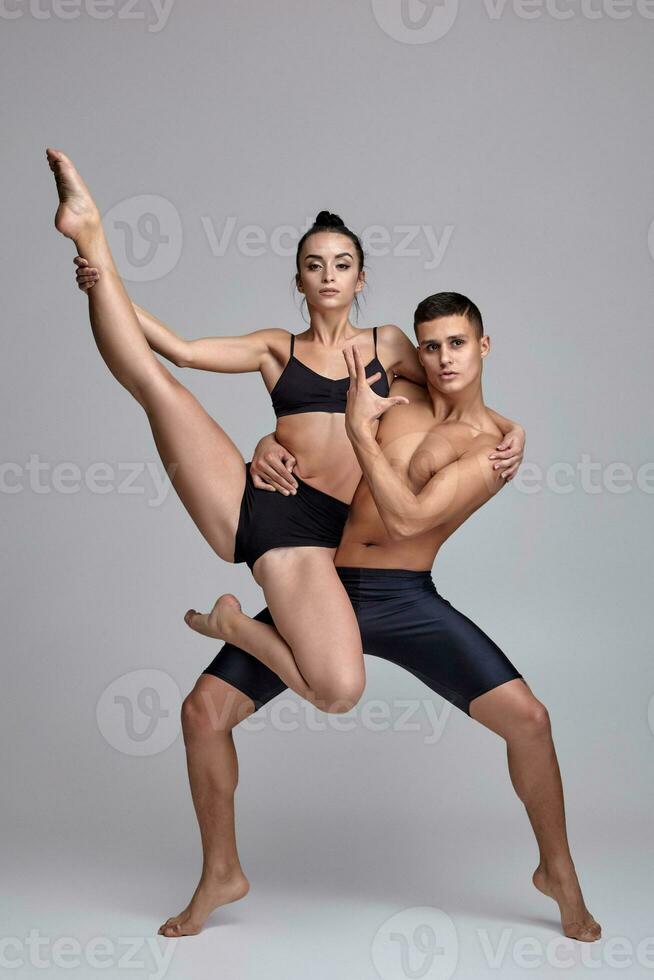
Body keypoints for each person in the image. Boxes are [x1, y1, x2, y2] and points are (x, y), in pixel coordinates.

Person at [165, 293, 601, 944]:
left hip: (403, 599)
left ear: (483, 347)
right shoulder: (395, 385)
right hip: (322, 586)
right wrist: (266, 443)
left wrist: (364, 432)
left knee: (530, 721)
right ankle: (221, 871)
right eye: (432, 345)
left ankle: (558, 872)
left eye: (458, 343)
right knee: (202, 712)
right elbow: (309, 422)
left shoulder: (493, 448)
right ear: (417, 351)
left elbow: (406, 518)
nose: (443, 357)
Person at [50, 144, 524, 716]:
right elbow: (179, 348)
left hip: (320, 536)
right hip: (263, 504)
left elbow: (456, 390)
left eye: (342, 264)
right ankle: (88, 231)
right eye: (315, 265)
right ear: (298, 279)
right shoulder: (277, 346)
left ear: (361, 279)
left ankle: (232, 624)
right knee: (156, 387)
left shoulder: (389, 344)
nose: (328, 276)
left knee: (338, 691)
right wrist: (104, 279)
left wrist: (509, 427)